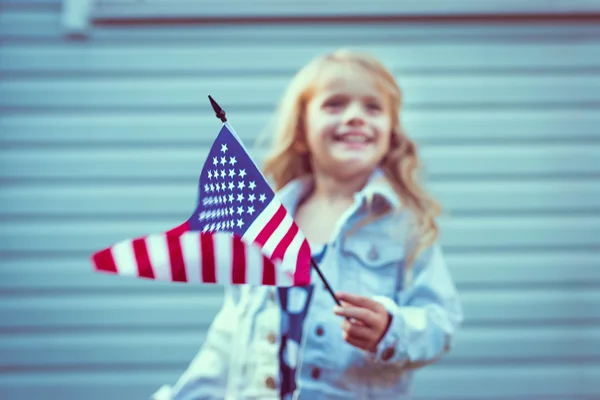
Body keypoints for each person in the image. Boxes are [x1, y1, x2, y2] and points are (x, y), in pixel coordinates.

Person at [152, 48, 463, 400]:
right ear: (301, 130)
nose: (355, 117)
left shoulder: (403, 226)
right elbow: (227, 342)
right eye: (335, 104)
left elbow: (440, 320)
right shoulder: (263, 225)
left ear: (391, 133)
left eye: (373, 107)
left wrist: (392, 329)